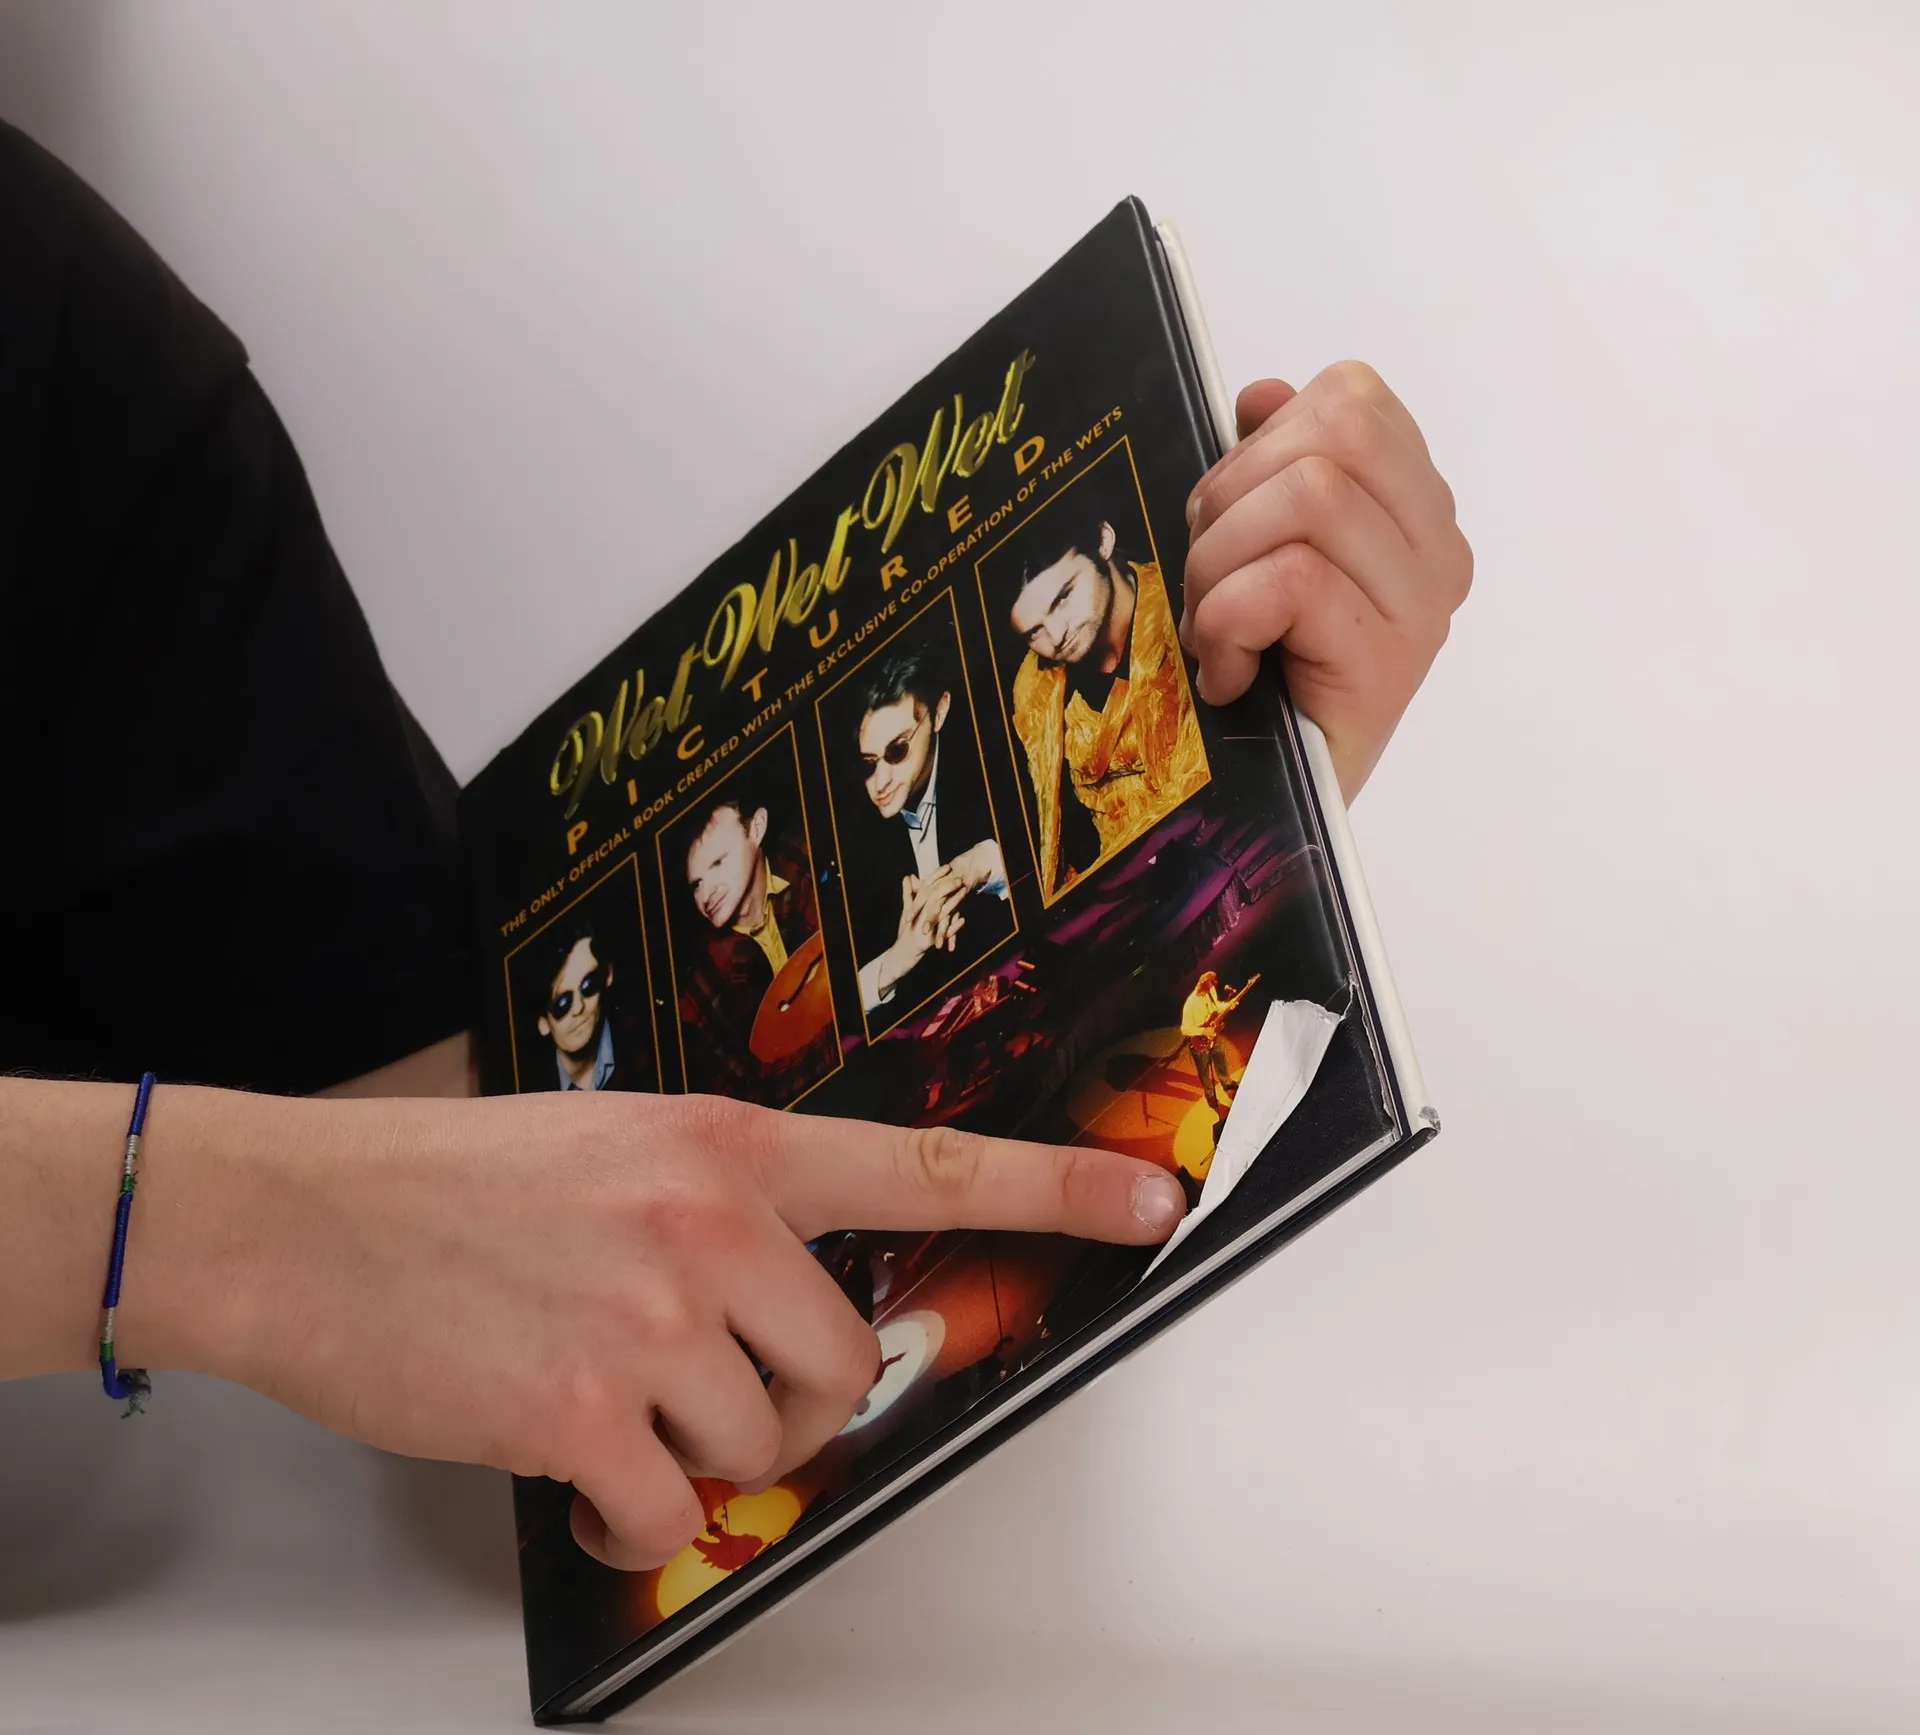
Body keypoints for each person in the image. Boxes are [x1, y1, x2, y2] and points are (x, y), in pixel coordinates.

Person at [0, 120, 1472, 1578]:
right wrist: (217, 1230)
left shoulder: (60, 335)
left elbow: (472, 1201)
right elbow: (364, 1215)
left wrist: (1230, 802)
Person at [1004, 509, 1208, 900]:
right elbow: (1052, 837)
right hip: (1120, 892)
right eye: (1033, 632)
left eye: (1063, 597)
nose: (1057, 635)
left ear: (1103, 541)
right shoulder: (1034, 686)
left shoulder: (1181, 597)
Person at [842, 634, 1012, 1020]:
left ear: (939, 712)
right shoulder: (856, 838)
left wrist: (980, 865)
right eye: (868, 763)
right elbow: (839, 1006)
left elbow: (1066, 846)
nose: (880, 782)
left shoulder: (991, 757)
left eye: (897, 750)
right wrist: (898, 958)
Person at [677, 788, 839, 1104]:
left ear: (757, 828)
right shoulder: (703, 982)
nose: (706, 894)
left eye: (717, 862)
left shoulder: (804, 860)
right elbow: (750, 1098)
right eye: (696, 884)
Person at [531, 920, 649, 1093]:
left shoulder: (646, 1045)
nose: (578, 1008)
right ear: (543, 1023)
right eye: (563, 1003)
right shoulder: (533, 1093)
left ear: (608, 976)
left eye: (588, 985)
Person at [1179, 970, 1243, 1119]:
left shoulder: (1210, 990)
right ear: (1200, 986)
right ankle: (1210, 1096)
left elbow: (1216, 1008)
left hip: (1214, 1034)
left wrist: (1228, 1005)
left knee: (1221, 1059)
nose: (1210, 991)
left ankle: (1226, 1082)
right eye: (1207, 990)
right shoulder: (1190, 1004)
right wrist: (1203, 1031)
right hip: (1200, 1042)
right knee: (1204, 1073)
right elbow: (1185, 1029)